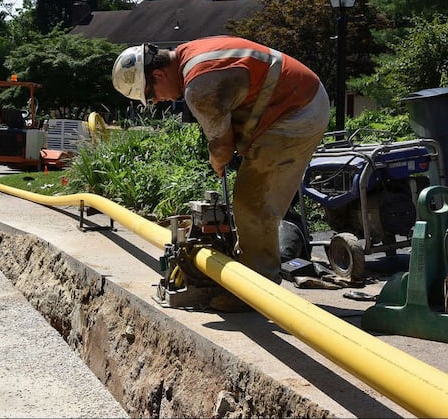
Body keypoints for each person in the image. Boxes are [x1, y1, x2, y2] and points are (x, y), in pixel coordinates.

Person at [112, 36, 330, 312]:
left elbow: (221, 145)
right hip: (295, 99)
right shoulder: (191, 54)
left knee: (252, 202)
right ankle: (247, 269)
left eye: (153, 96)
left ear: (158, 74)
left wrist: (218, 160)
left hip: (298, 111)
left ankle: (256, 290)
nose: (160, 101)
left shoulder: (199, 86)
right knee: (249, 197)